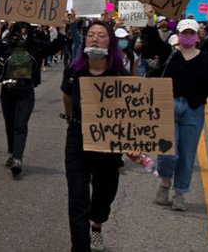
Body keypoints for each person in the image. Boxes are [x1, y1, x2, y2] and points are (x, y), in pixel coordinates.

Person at [62, 22, 129, 252]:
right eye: (90, 35)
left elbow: (131, 112)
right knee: (78, 200)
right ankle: (80, 247)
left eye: (101, 35)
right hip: (78, 141)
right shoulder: (74, 72)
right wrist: (74, 121)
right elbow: (67, 97)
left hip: (109, 145)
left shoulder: (120, 74)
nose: (95, 39)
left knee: (104, 193)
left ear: (110, 41)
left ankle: (97, 226)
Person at [147, 19, 208, 211]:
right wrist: (150, 19)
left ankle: (180, 193)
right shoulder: (169, 54)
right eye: (184, 32)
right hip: (168, 107)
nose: (188, 36)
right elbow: (153, 40)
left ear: (198, 35)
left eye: (191, 33)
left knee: (187, 155)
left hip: (193, 110)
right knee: (168, 153)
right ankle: (165, 183)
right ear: (179, 34)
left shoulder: (207, 60)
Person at [0, 18, 67, 177]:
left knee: (20, 124)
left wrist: (62, 30)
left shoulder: (36, 46)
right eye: (19, 32)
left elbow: (54, 47)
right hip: (8, 90)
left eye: (25, 32)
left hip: (26, 90)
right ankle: (12, 151)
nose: (22, 35)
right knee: (10, 123)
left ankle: (17, 158)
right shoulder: (4, 45)